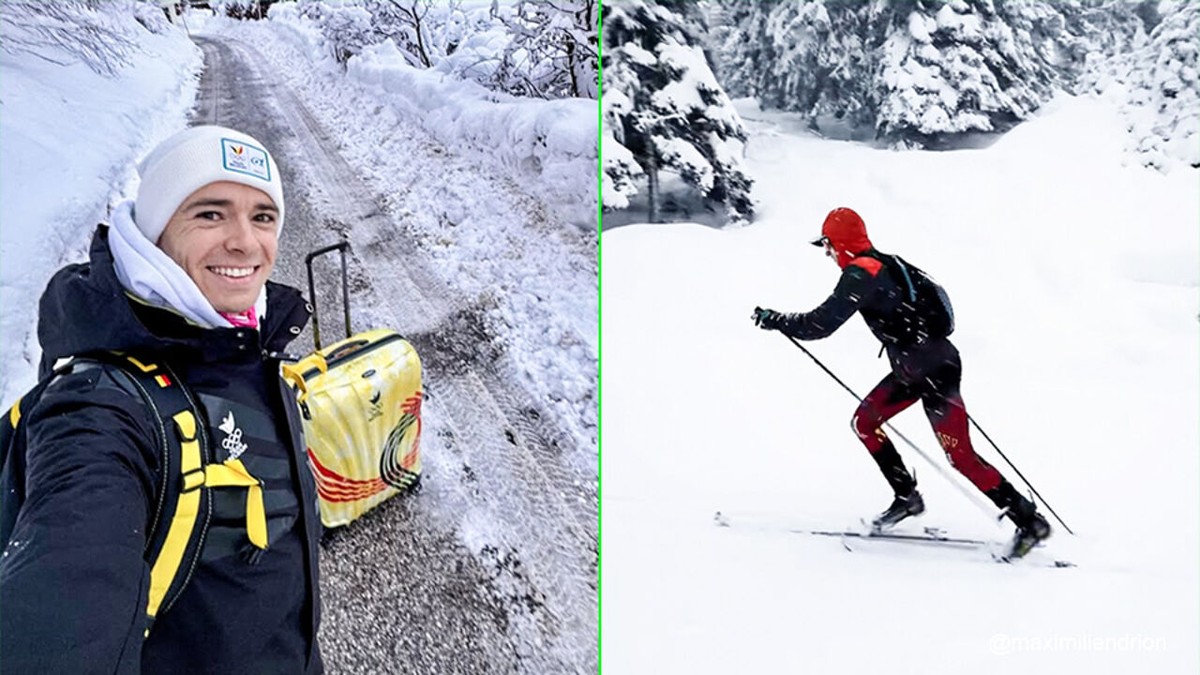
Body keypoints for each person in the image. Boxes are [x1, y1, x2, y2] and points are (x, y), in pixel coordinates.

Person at [0, 125, 323, 672]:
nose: (245, 242)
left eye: (263, 216)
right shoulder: (100, 410)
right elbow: (66, 597)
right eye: (210, 213)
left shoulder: (245, 341)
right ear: (154, 232)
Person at [752, 207, 1051, 558]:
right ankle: (907, 497)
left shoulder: (861, 273)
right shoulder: (883, 262)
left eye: (829, 246)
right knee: (865, 422)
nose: (828, 254)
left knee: (961, 457)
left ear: (842, 243)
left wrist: (777, 320)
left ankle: (1030, 522)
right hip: (916, 367)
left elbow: (820, 325)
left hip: (934, 371)